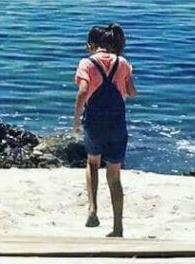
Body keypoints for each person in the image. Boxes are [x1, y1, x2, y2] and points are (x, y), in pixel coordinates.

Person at [72, 23, 137, 237]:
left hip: (95, 122)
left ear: (91, 45)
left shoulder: (86, 63)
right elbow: (132, 92)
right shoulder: (123, 63)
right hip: (117, 123)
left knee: (92, 163)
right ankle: (118, 228)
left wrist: (75, 121)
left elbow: (83, 92)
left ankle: (92, 210)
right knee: (115, 176)